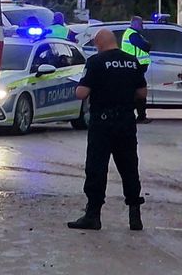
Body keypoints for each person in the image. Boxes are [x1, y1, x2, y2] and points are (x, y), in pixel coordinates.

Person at [68, 28, 148, 232]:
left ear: (99, 44)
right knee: (129, 167)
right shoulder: (132, 61)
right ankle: (135, 216)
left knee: (96, 168)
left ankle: (93, 215)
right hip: (126, 122)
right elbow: (142, 92)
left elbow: (81, 93)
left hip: (102, 123)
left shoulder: (96, 62)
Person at [120, 15, 152, 123]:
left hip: (134, 67)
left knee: (135, 93)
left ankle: (138, 116)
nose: (142, 26)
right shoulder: (132, 35)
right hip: (135, 67)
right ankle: (140, 116)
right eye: (140, 24)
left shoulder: (133, 34)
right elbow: (145, 46)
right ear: (134, 24)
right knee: (139, 93)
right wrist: (148, 44)